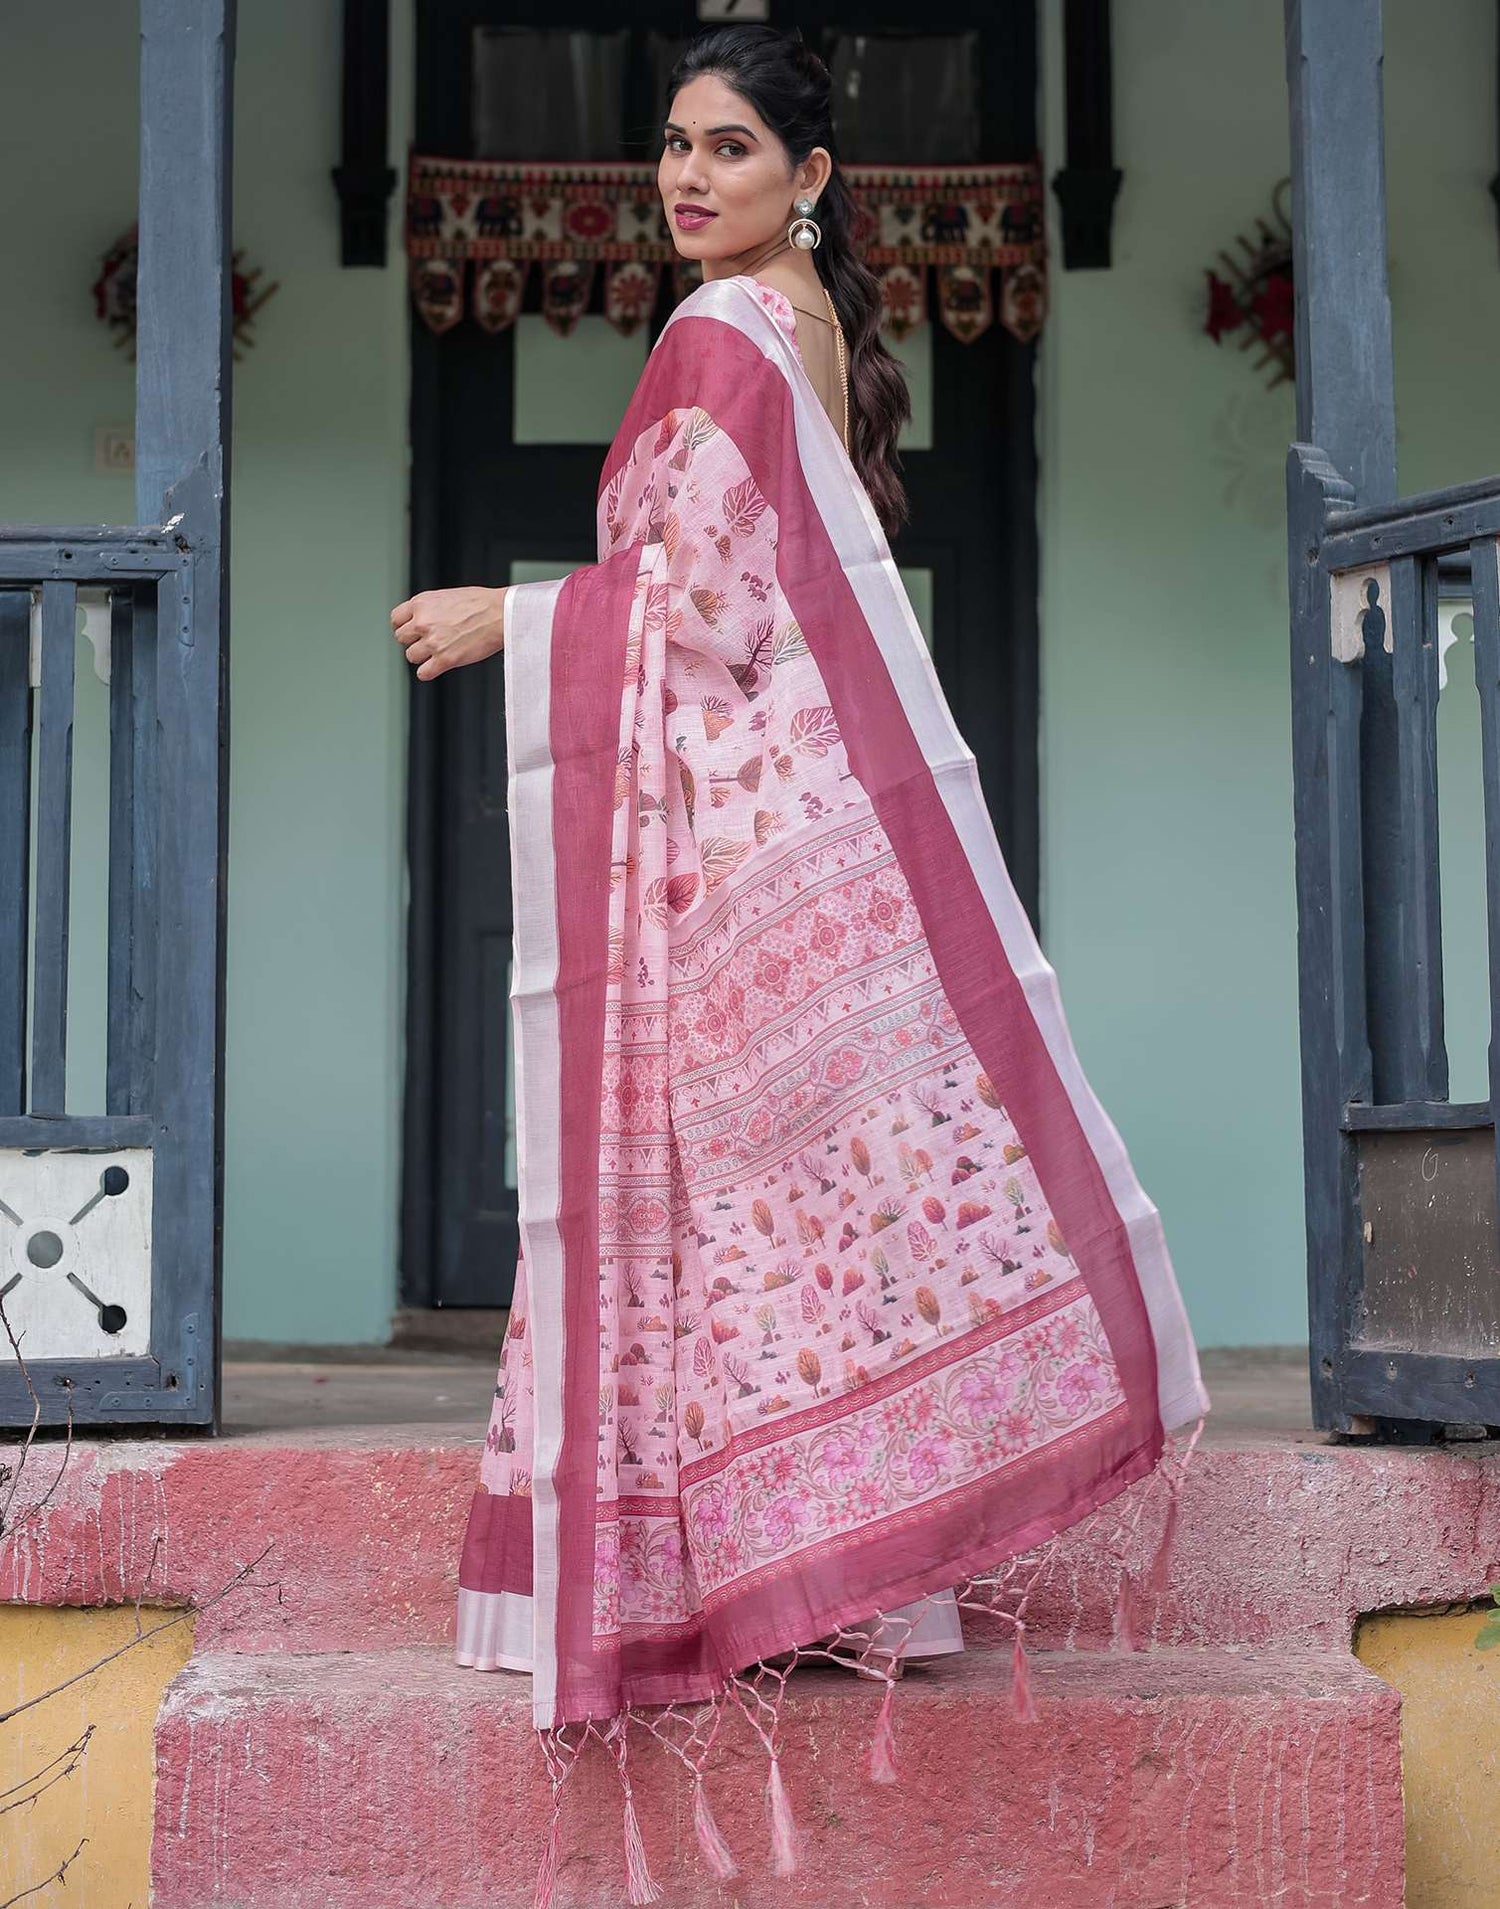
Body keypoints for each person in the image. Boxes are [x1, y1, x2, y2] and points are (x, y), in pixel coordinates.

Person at [391, 25, 1207, 1904]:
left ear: (811, 178)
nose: (687, 178)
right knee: (809, 1192)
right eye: (672, 146)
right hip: (807, 819)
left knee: (724, 1189)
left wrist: (504, 615)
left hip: (742, 844)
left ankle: (751, 1570)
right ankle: (866, 1578)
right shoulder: (806, 331)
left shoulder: (723, 337)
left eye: (731, 148)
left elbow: (701, 608)